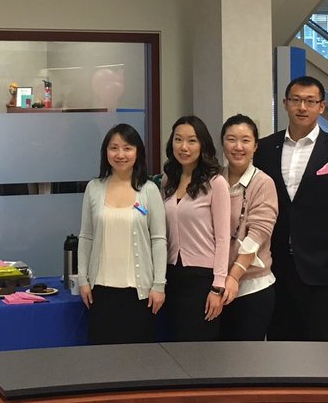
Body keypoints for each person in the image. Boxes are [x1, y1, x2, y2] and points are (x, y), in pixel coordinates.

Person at [256, 76, 328, 342]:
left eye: (309, 101)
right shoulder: (266, 148)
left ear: (321, 107)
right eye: (296, 100)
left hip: (323, 267)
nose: (302, 107)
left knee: (322, 343)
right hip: (275, 265)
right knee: (279, 340)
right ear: (285, 103)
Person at [76, 124, 167, 345]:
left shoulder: (148, 190)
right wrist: (82, 280)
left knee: (137, 360)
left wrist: (158, 285)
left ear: (138, 152)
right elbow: (86, 236)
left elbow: (158, 239)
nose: (120, 154)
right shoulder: (94, 188)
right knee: (103, 359)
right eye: (113, 148)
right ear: (105, 152)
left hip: (139, 294)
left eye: (127, 148)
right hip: (101, 291)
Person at [161, 116, 231, 342]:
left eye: (191, 141)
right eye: (178, 139)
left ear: (202, 145)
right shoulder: (168, 180)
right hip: (172, 274)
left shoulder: (215, 182)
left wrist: (218, 287)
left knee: (200, 350)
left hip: (202, 280)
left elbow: (223, 238)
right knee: (175, 346)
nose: (183, 147)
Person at [218, 114, 279, 341]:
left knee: (246, 360)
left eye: (245, 140)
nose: (238, 146)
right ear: (222, 143)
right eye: (231, 139)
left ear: (255, 146)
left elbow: (258, 234)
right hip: (216, 285)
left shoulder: (263, 182)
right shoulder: (212, 180)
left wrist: (233, 276)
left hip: (252, 287)